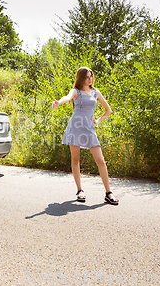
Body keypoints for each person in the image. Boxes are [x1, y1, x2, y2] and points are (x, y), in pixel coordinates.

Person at [51, 67, 119, 205]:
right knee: (76, 160)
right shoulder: (76, 91)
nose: (90, 79)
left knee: (101, 161)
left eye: (91, 76)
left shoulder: (95, 92)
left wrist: (98, 121)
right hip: (75, 127)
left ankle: (108, 193)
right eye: (87, 77)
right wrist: (59, 102)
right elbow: (67, 97)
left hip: (89, 129)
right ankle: (80, 190)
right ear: (81, 78)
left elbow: (108, 110)